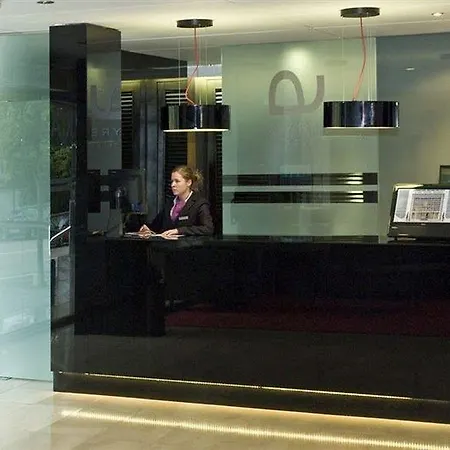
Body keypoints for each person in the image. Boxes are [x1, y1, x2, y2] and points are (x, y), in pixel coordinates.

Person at [140, 166, 214, 237]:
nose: (172, 185)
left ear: (189, 182)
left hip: (189, 245)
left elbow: (208, 228)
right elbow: (156, 225)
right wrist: (148, 229)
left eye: (177, 181)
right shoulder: (169, 203)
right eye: (172, 181)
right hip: (166, 244)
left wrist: (179, 231)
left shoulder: (200, 204)